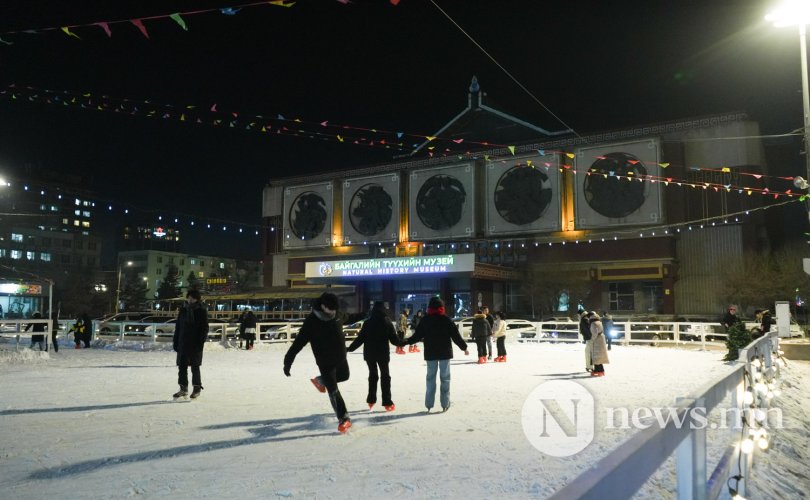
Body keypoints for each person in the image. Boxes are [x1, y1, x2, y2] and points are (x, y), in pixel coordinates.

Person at [283, 292, 353, 433]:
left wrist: (368, 313)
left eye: (335, 309)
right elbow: (298, 343)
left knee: (345, 376)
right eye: (330, 309)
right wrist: (288, 362)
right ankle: (344, 418)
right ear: (323, 306)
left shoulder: (337, 314)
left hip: (340, 358)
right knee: (333, 391)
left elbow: (350, 317)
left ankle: (320, 381)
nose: (333, 312)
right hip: (325, 361)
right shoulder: (312, 321)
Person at [402, 296, 469, 412]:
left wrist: (405, 342)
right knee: (445, 378)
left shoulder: (425, 320)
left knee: (430, 379)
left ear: (429, 308)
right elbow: (455, 336)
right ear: (441, 307)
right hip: (445, 353)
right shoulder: (446, 319)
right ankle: (445, 403)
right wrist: (464, 348)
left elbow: (417, 336)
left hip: (431, 353)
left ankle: (429, 404)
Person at [347, 301, 400, 411]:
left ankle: (371, 400)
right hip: (383, 354)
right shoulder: (387, 321)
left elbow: (360, 339)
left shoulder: (368, 322)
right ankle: (387, 402)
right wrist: (405, 342)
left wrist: (349, 348)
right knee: (385, 376)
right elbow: (394, 340)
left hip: (370, 354)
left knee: (373, 375)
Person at [172, 289, 209, 399]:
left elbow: (204, 328)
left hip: (195, 343)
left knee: (195, 366)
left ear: (197, 299)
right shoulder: (183, 310)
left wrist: (200, 341)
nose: (190, 300)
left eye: (192, 298)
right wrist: (176, 341)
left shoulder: (201, 311)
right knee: (182, 367)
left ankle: (196, 388)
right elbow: (178, 327)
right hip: (183, 342)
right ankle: (183, 388)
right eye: (189, 297)